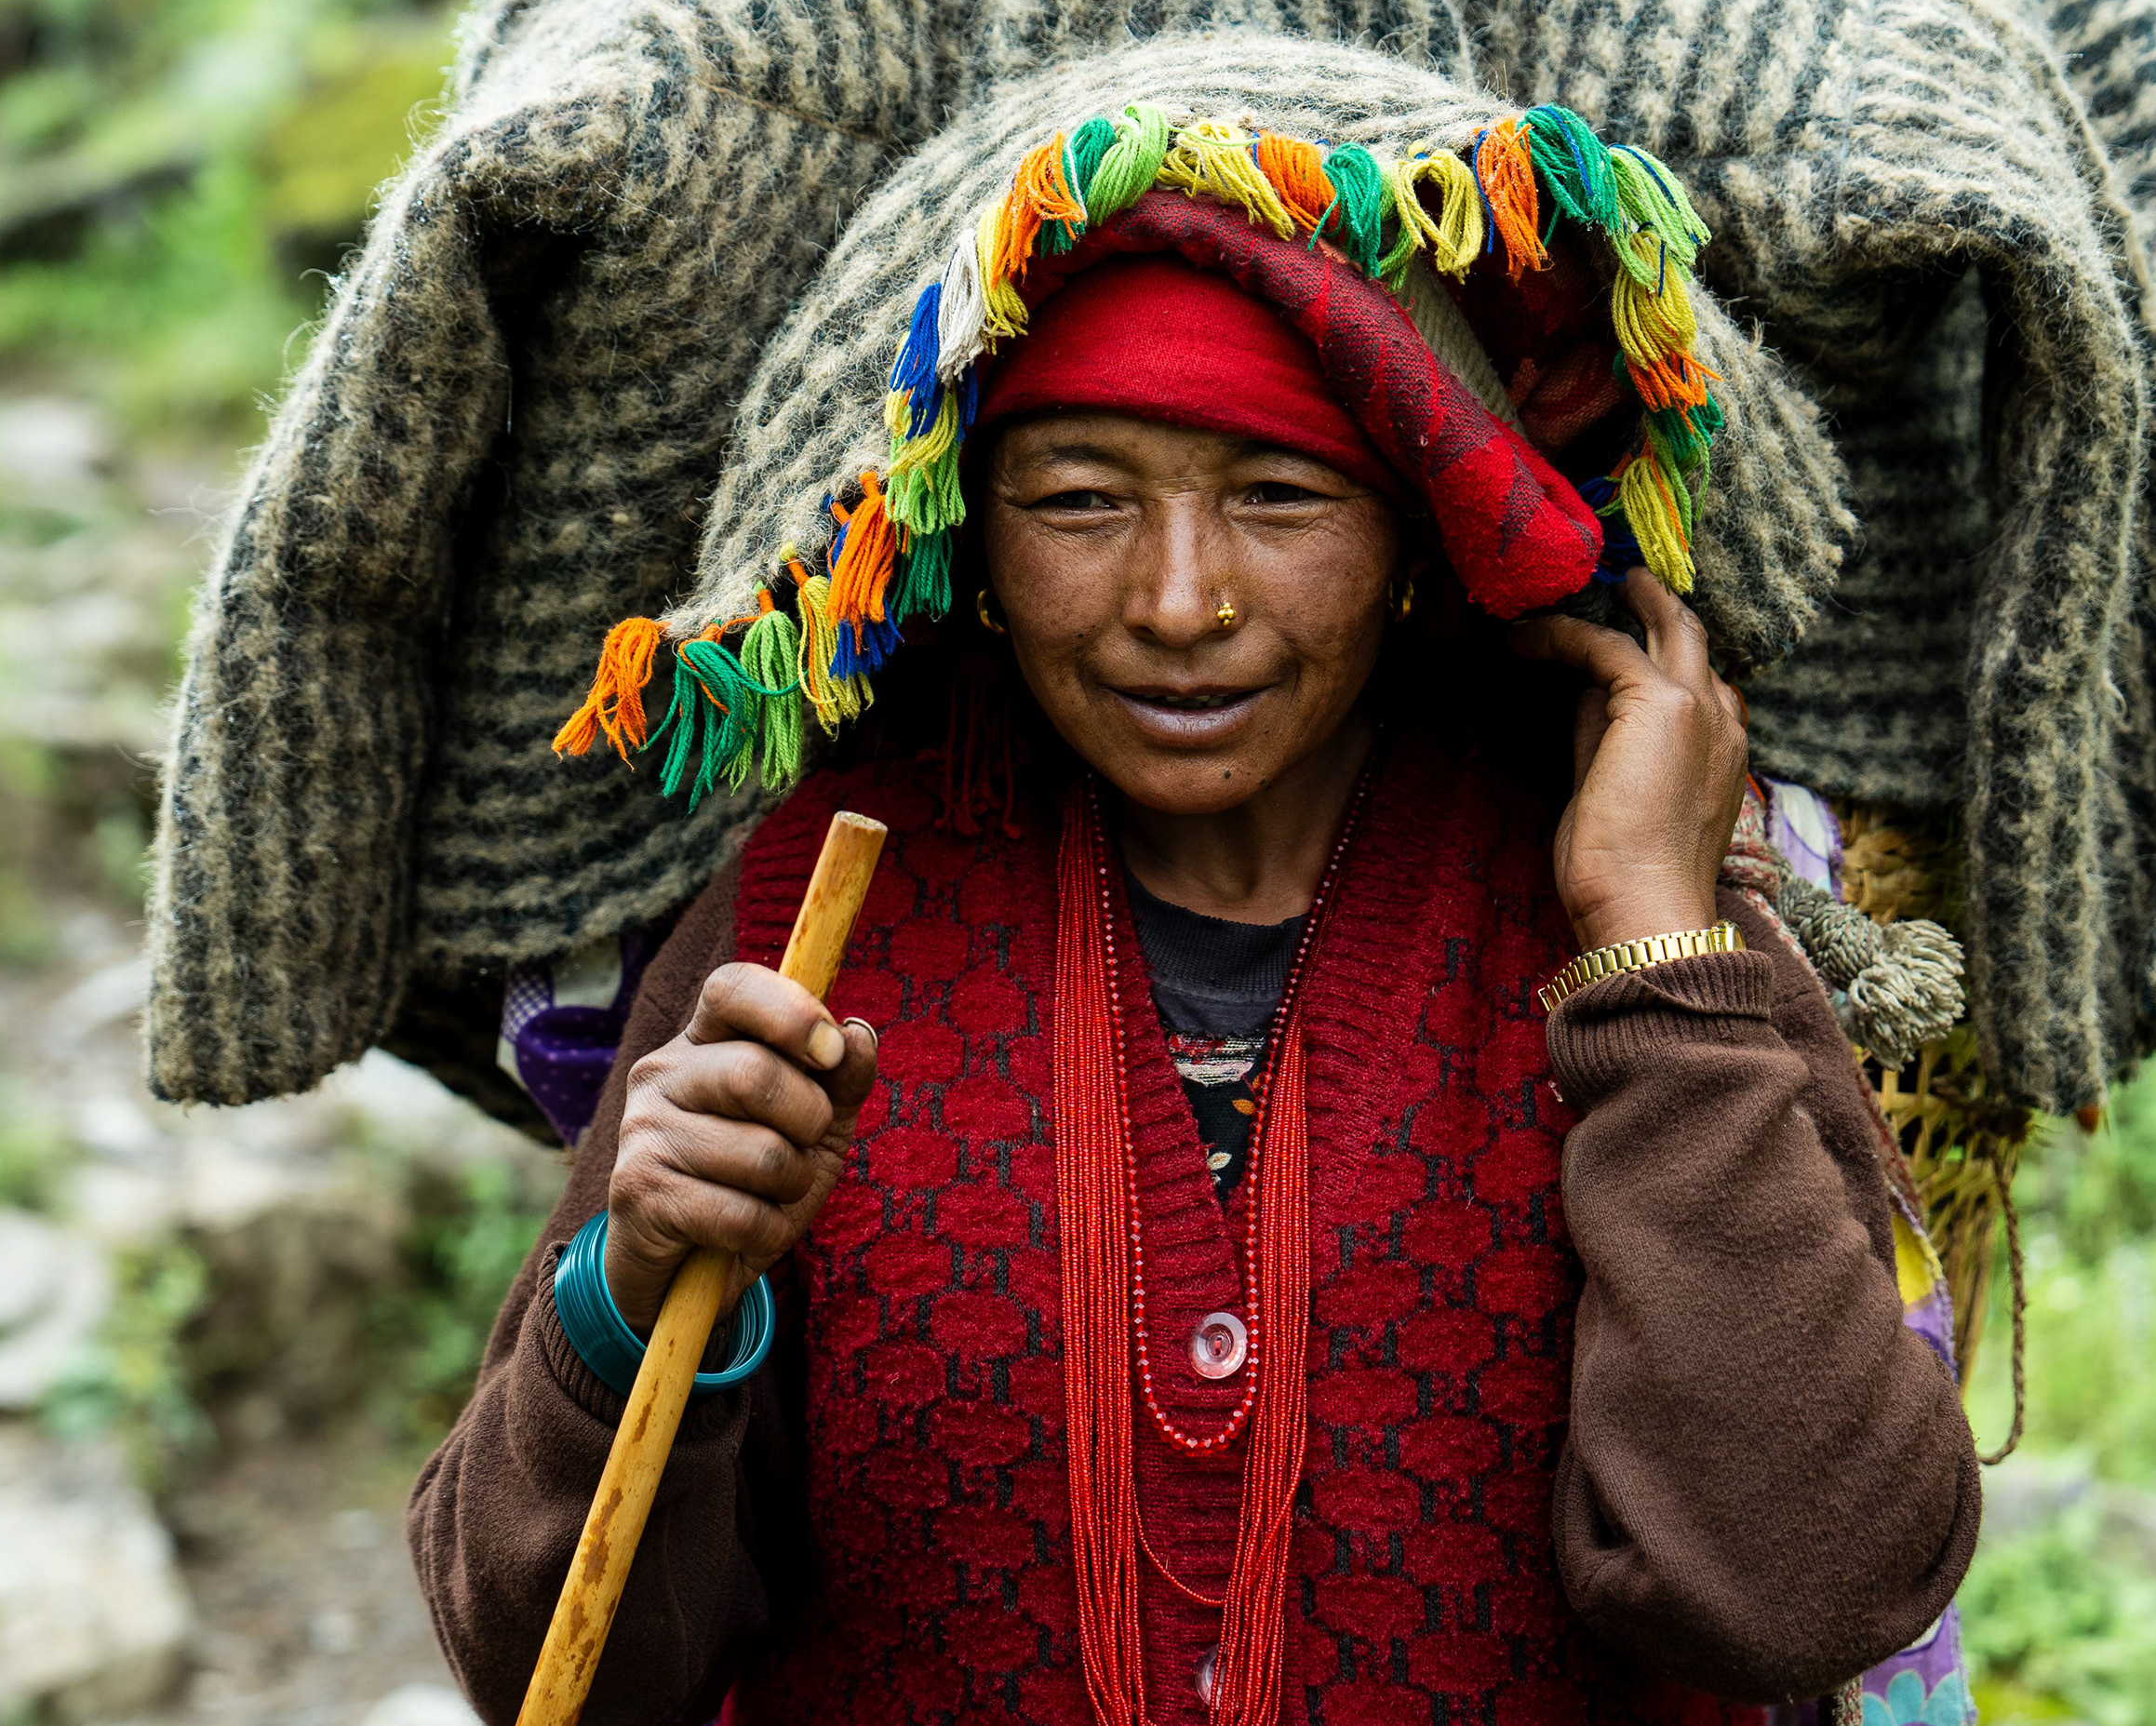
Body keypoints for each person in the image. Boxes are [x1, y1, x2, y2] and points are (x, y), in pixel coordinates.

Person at [407, 111, 1983, 1725]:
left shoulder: (1623, 919)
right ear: (975, 545)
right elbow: (546, 1664)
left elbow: (1805, 1586)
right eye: (1080, 499)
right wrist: (641, 1277)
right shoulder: (818, 910)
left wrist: (1656, 939)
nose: (1176, 602)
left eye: (1283, 497)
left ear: (1413, 539)